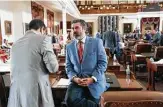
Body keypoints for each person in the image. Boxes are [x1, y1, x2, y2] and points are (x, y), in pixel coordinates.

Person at [7, 19, 59, 107]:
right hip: (35, 88)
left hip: (17, 89)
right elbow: (53, 68)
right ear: (42, 29)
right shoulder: (44, 39)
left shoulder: (16, 43)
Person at [64, 19, 108, 107]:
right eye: (72, 28)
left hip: (94, 80)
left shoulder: (96, 42)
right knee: (69, 101)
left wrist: (92, 78)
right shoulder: (69, 46)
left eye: (76, 28)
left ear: (84, 28)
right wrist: (74, 78)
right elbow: (68, 66)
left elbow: (103, 63)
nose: (74, 31)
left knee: (93, 99)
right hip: (77, 81)